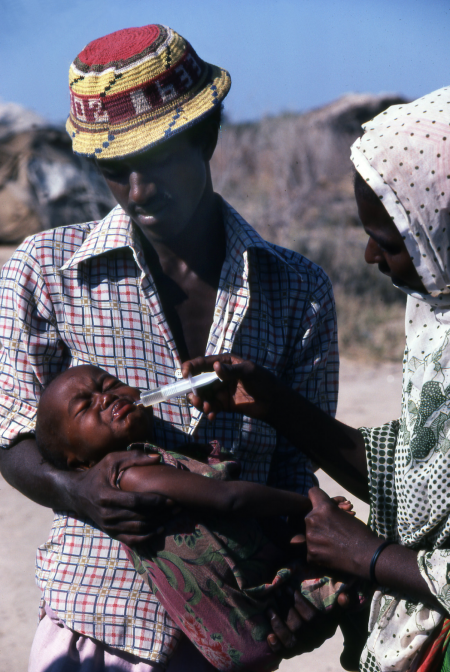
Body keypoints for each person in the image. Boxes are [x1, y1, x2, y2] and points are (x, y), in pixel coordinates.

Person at [0, 24, 339, 671]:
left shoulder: (297, 288)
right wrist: (78, 492)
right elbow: (13, 440)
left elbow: (297, 467)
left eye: (156, 160)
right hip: (95, 629)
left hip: (236, 632)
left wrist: (296, 585)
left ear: (207, 133)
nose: (137, 189)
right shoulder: (45, 270)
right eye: (113, 170)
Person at [184, 85, 450, 672]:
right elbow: (417, 473)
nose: (369, 259)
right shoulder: (441, 320)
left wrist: (371, 557)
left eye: (389, 241)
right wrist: (276, 403)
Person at [34, 363, 357, 671]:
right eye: (84, 406)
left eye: (109, 384)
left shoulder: (160, 461)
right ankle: (357, 643)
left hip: (258, 613)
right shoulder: (132, 476)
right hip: (240, 627)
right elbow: (230, 499)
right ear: (76, 464)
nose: (106, 397)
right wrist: (308, 504)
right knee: (356, 572)